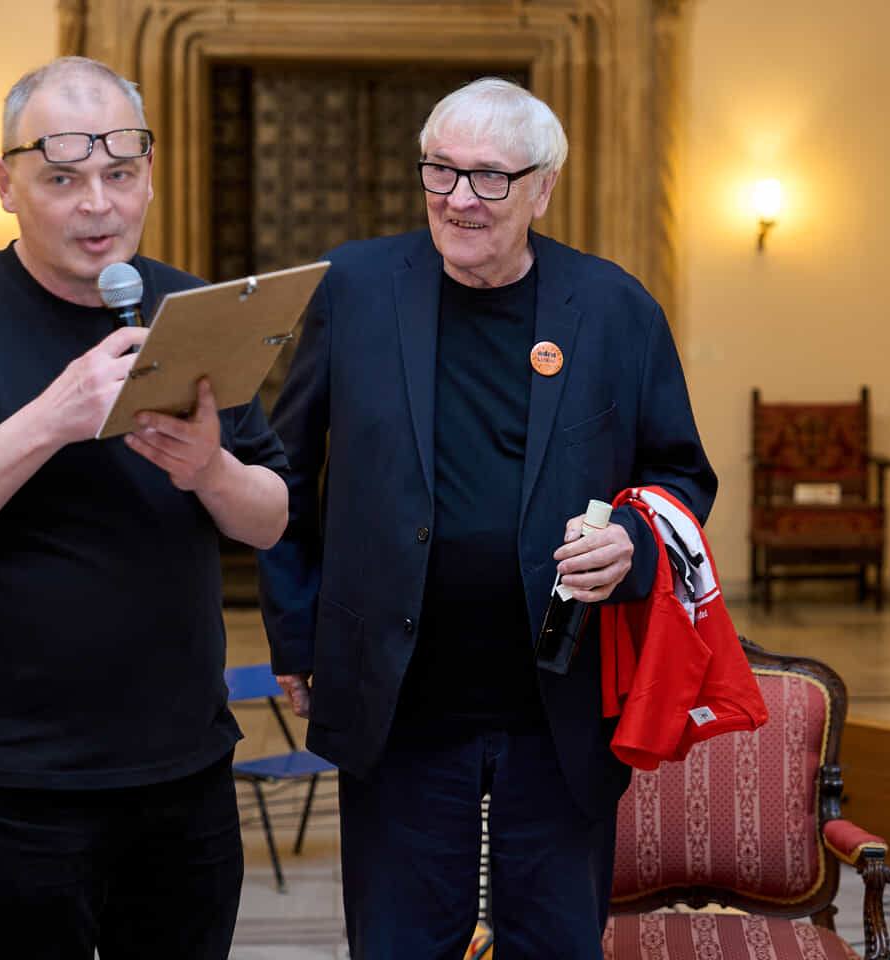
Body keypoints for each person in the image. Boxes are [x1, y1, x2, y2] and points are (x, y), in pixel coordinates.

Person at [258, 76, 716, 958]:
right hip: (399, 697)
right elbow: (284, 469)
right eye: (441, 170)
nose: (459, 198)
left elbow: (680, 473)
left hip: (560, 698)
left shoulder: (614, 308)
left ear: (544, 188)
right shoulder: (355, 286)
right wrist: (296, 632)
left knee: (555, 940)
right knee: (399, 943)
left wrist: (631, 542)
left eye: (490, 178)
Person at [0, 56, 288, 958]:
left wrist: (210, 469)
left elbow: (272, 516)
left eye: (120, 175)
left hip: (188, 767)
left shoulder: (193, 309)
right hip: (23, 782)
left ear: (149, 176)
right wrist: (51, 419)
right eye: (62, 180)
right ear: (4, 184)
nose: (99, 205)